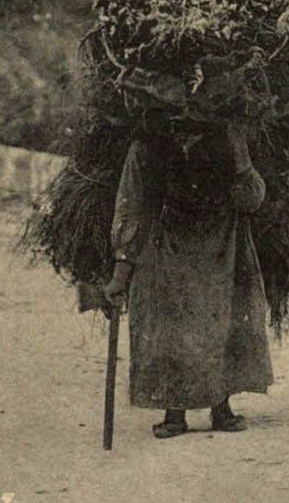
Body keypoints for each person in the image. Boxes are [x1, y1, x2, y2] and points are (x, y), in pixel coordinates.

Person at [104, 118, 272, 438]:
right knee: (170, 325)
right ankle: (174, 411)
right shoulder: (147, 144)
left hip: (222, 245)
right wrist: (120, 272)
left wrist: (241, 164)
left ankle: (220, 406)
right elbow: (131, 205)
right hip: (167, 245)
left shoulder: (227, 135)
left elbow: (251, 198)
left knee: (219, 320)